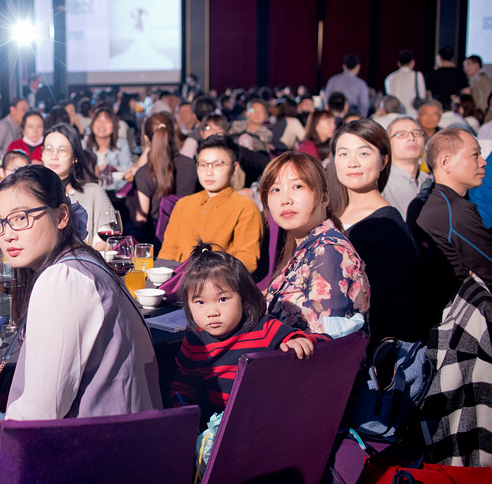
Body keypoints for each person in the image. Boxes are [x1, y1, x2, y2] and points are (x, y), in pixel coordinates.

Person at [0, 164, 161, 484]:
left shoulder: (62, 279)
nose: (7, 235)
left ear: (61, 216)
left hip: (87, 470)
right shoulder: (87, 264)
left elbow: (41, 412)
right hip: (127, 453)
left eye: (21, 218)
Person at [169, 243, 321, 423]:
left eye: (222, 299)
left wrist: (299, 340)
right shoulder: (194, 342)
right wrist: (183, 413)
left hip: (260, 419)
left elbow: (307, 340)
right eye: (200, 302)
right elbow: (183, 387)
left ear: (245, 299)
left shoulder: (264, 329)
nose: (212, 312)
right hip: (214, 424)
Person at [327, 119, 421, 344]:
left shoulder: (388, 226)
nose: (352, 163)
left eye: (364, 153)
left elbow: (386, 308)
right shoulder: (332, 212)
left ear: (383, 161)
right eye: (343, 154)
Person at [260, 152, 370, 335]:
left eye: (297, 186)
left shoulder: (329, 252)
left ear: (324, 198)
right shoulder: (307, 247)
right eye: (275, 190)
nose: (285, 199)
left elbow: (328, 342)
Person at [158, 135, 262, 272]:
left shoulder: (246, 208)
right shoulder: (183, 204)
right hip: (178, 282)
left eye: (218, 165)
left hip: (221, 284)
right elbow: (168, 252)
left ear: (234, 168)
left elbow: (247, 261)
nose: (209, 172)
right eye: (203, 165)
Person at [414, 128, 492, 304]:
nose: (483, 162)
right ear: (446, 162)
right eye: (475, 155)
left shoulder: (433, 201)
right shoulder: (455, 211)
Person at [128, 113, 198, 242]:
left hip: (157, 243)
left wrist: (130, 203)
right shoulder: (191, 165)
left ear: (146, 139)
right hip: (190, 237)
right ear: (174, 133)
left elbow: (140, 220)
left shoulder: (144, 173)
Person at [42, 124, 113, 249]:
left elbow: (105, 242)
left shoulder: (93, 192)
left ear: (74, 157)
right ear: (42, 154)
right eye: (48, 149)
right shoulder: (33, 192)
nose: (54, 156)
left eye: (62, 150)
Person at [382, 117, 431, 220]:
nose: (411, 138)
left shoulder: (430, 180)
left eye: (417, 133)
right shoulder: (381, 183)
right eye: (402, 134)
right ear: (388, 143)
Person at [84, 106, 133, 182]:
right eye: (98, 120)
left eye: (107, 121)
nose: (102, 125)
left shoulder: (121, 143)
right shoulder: (83, 145)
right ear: (92, 124)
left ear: (114, 126)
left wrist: (109, 168)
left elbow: (128, 168)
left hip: (115, 190)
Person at [384, 49, 426, 118]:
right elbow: (422, 97)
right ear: (413, 62)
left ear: (398, 63)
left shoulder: (390, 78)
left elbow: (389, 98)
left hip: (394, 115)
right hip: (413, 114)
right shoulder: (417, 75)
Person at [324, 53, 369, 118]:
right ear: (358, 66)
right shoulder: (361, 84)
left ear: (344, 66)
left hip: (334, 115)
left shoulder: (333, 80)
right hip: (352, 117)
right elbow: (364, 106)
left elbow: (327, 100)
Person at [463, 55, 492, 123]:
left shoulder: (482, 78)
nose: (465, 68)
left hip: (485, 115)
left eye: (467, 65)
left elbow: (487, 93)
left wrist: (481, 111)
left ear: (476, 65)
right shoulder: (478, 78)